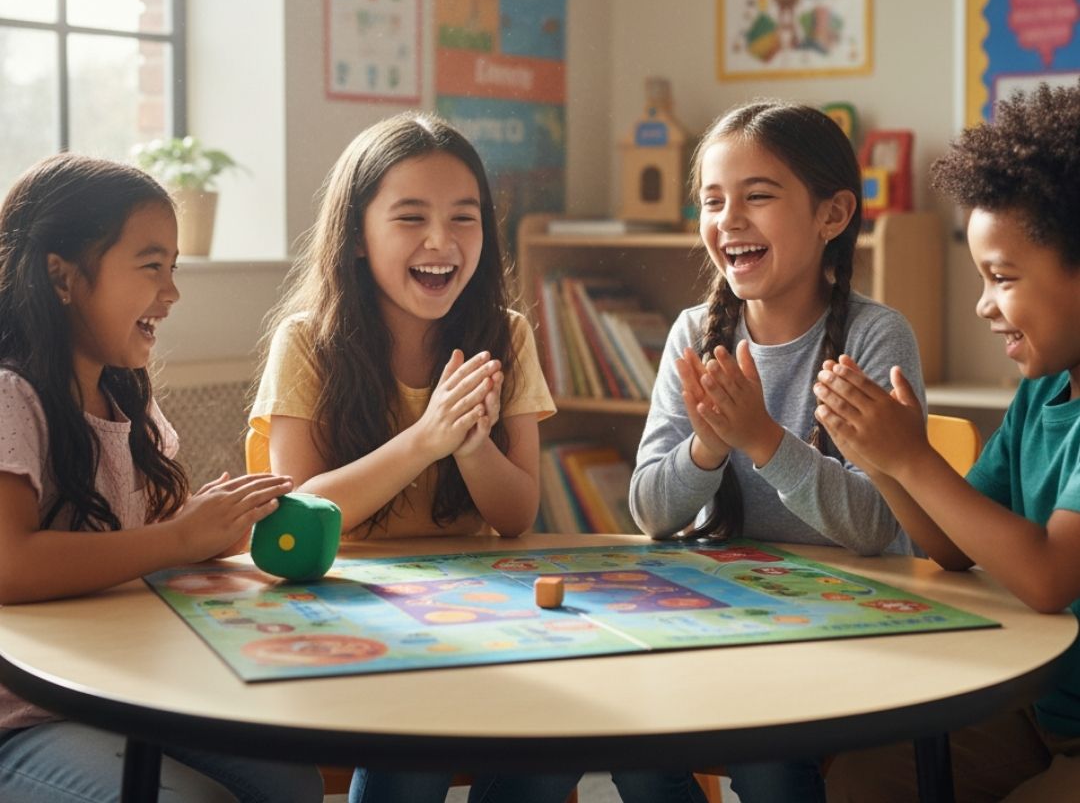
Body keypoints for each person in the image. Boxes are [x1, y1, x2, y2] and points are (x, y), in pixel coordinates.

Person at [247, 111, 583, 803]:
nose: (441, 241)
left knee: (560, 736)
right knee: (416, 745)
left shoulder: (506, 334)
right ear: (358, 238)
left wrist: (469, 445)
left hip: (470, 603)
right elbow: (303, 512)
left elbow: (517, 515)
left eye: (464, 218)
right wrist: (424, 439)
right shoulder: (307, 341)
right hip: (349, 607)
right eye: (410, 218)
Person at [0, 154, 323, 803]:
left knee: (293, 783)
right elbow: (11, 565)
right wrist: (178, 540)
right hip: (22, 717)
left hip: (120, 689)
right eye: (152, 266)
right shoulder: (13, 397)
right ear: (61, 277)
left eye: (174, 268)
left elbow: (151, 538)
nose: (172, 293)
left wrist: (210, 528)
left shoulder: (126, 399)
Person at [629, 99, 926, 803]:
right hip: (724, 616)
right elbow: (649, 513)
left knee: (766, 758)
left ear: (833, 214)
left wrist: (761, 439)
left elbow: (876, 527)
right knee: (635, 745)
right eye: (712, 200)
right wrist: (706, 445)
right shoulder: (694, 333)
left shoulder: (877, 338)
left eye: (757, 197)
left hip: (847, 623)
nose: (729, 219)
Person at [817, 82, 1080, 802]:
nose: (983, 304)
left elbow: (1050, 577)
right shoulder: (1042, 395)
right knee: (863, 780)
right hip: (1039, 707)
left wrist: (912, 457)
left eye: (1001, 278)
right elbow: (956, 545)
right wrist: (883, 461)